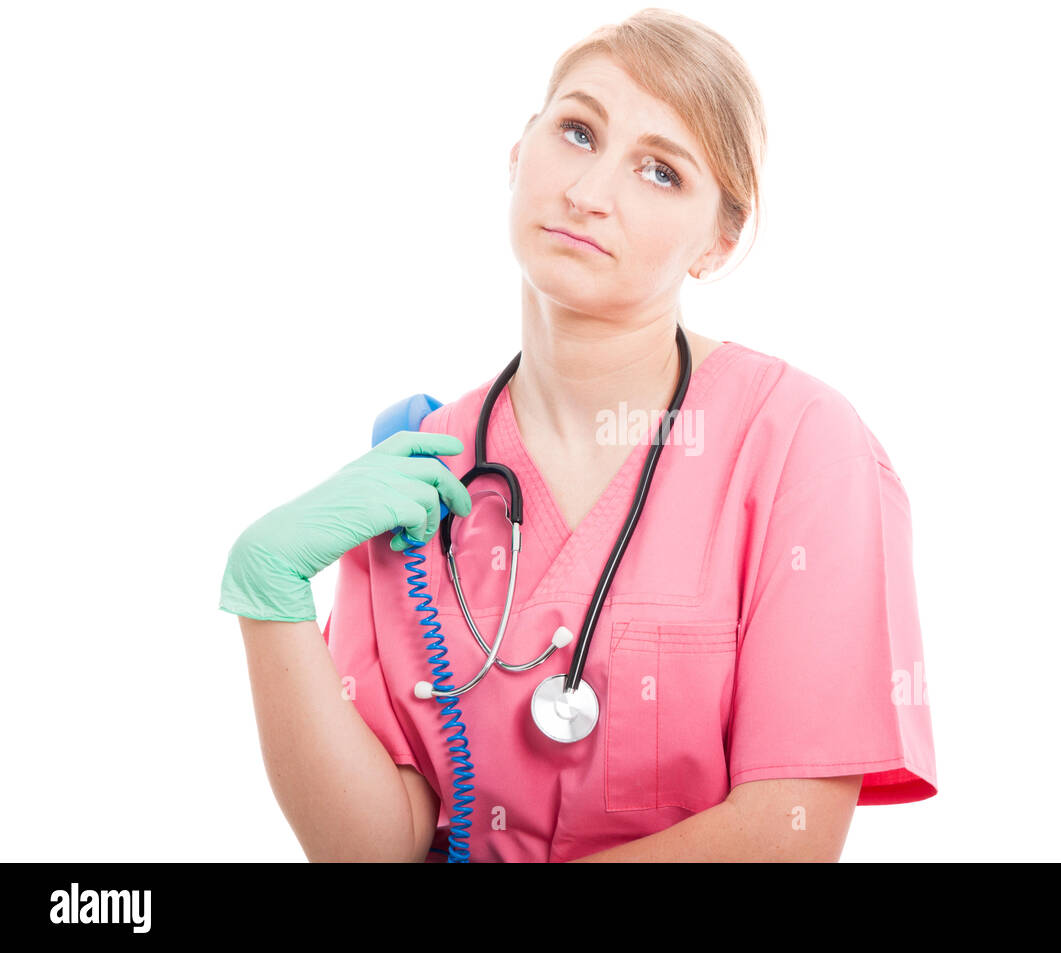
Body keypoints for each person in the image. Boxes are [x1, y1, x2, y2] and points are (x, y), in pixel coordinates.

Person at [221, 8, 936, 863]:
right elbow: (379, 846)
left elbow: (785, 836)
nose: (589, 192)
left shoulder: (803, 446)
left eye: (660, 171)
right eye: (577, 130)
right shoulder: (419, 471)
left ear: (721, 240)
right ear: (519, 151)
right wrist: (269, 597)